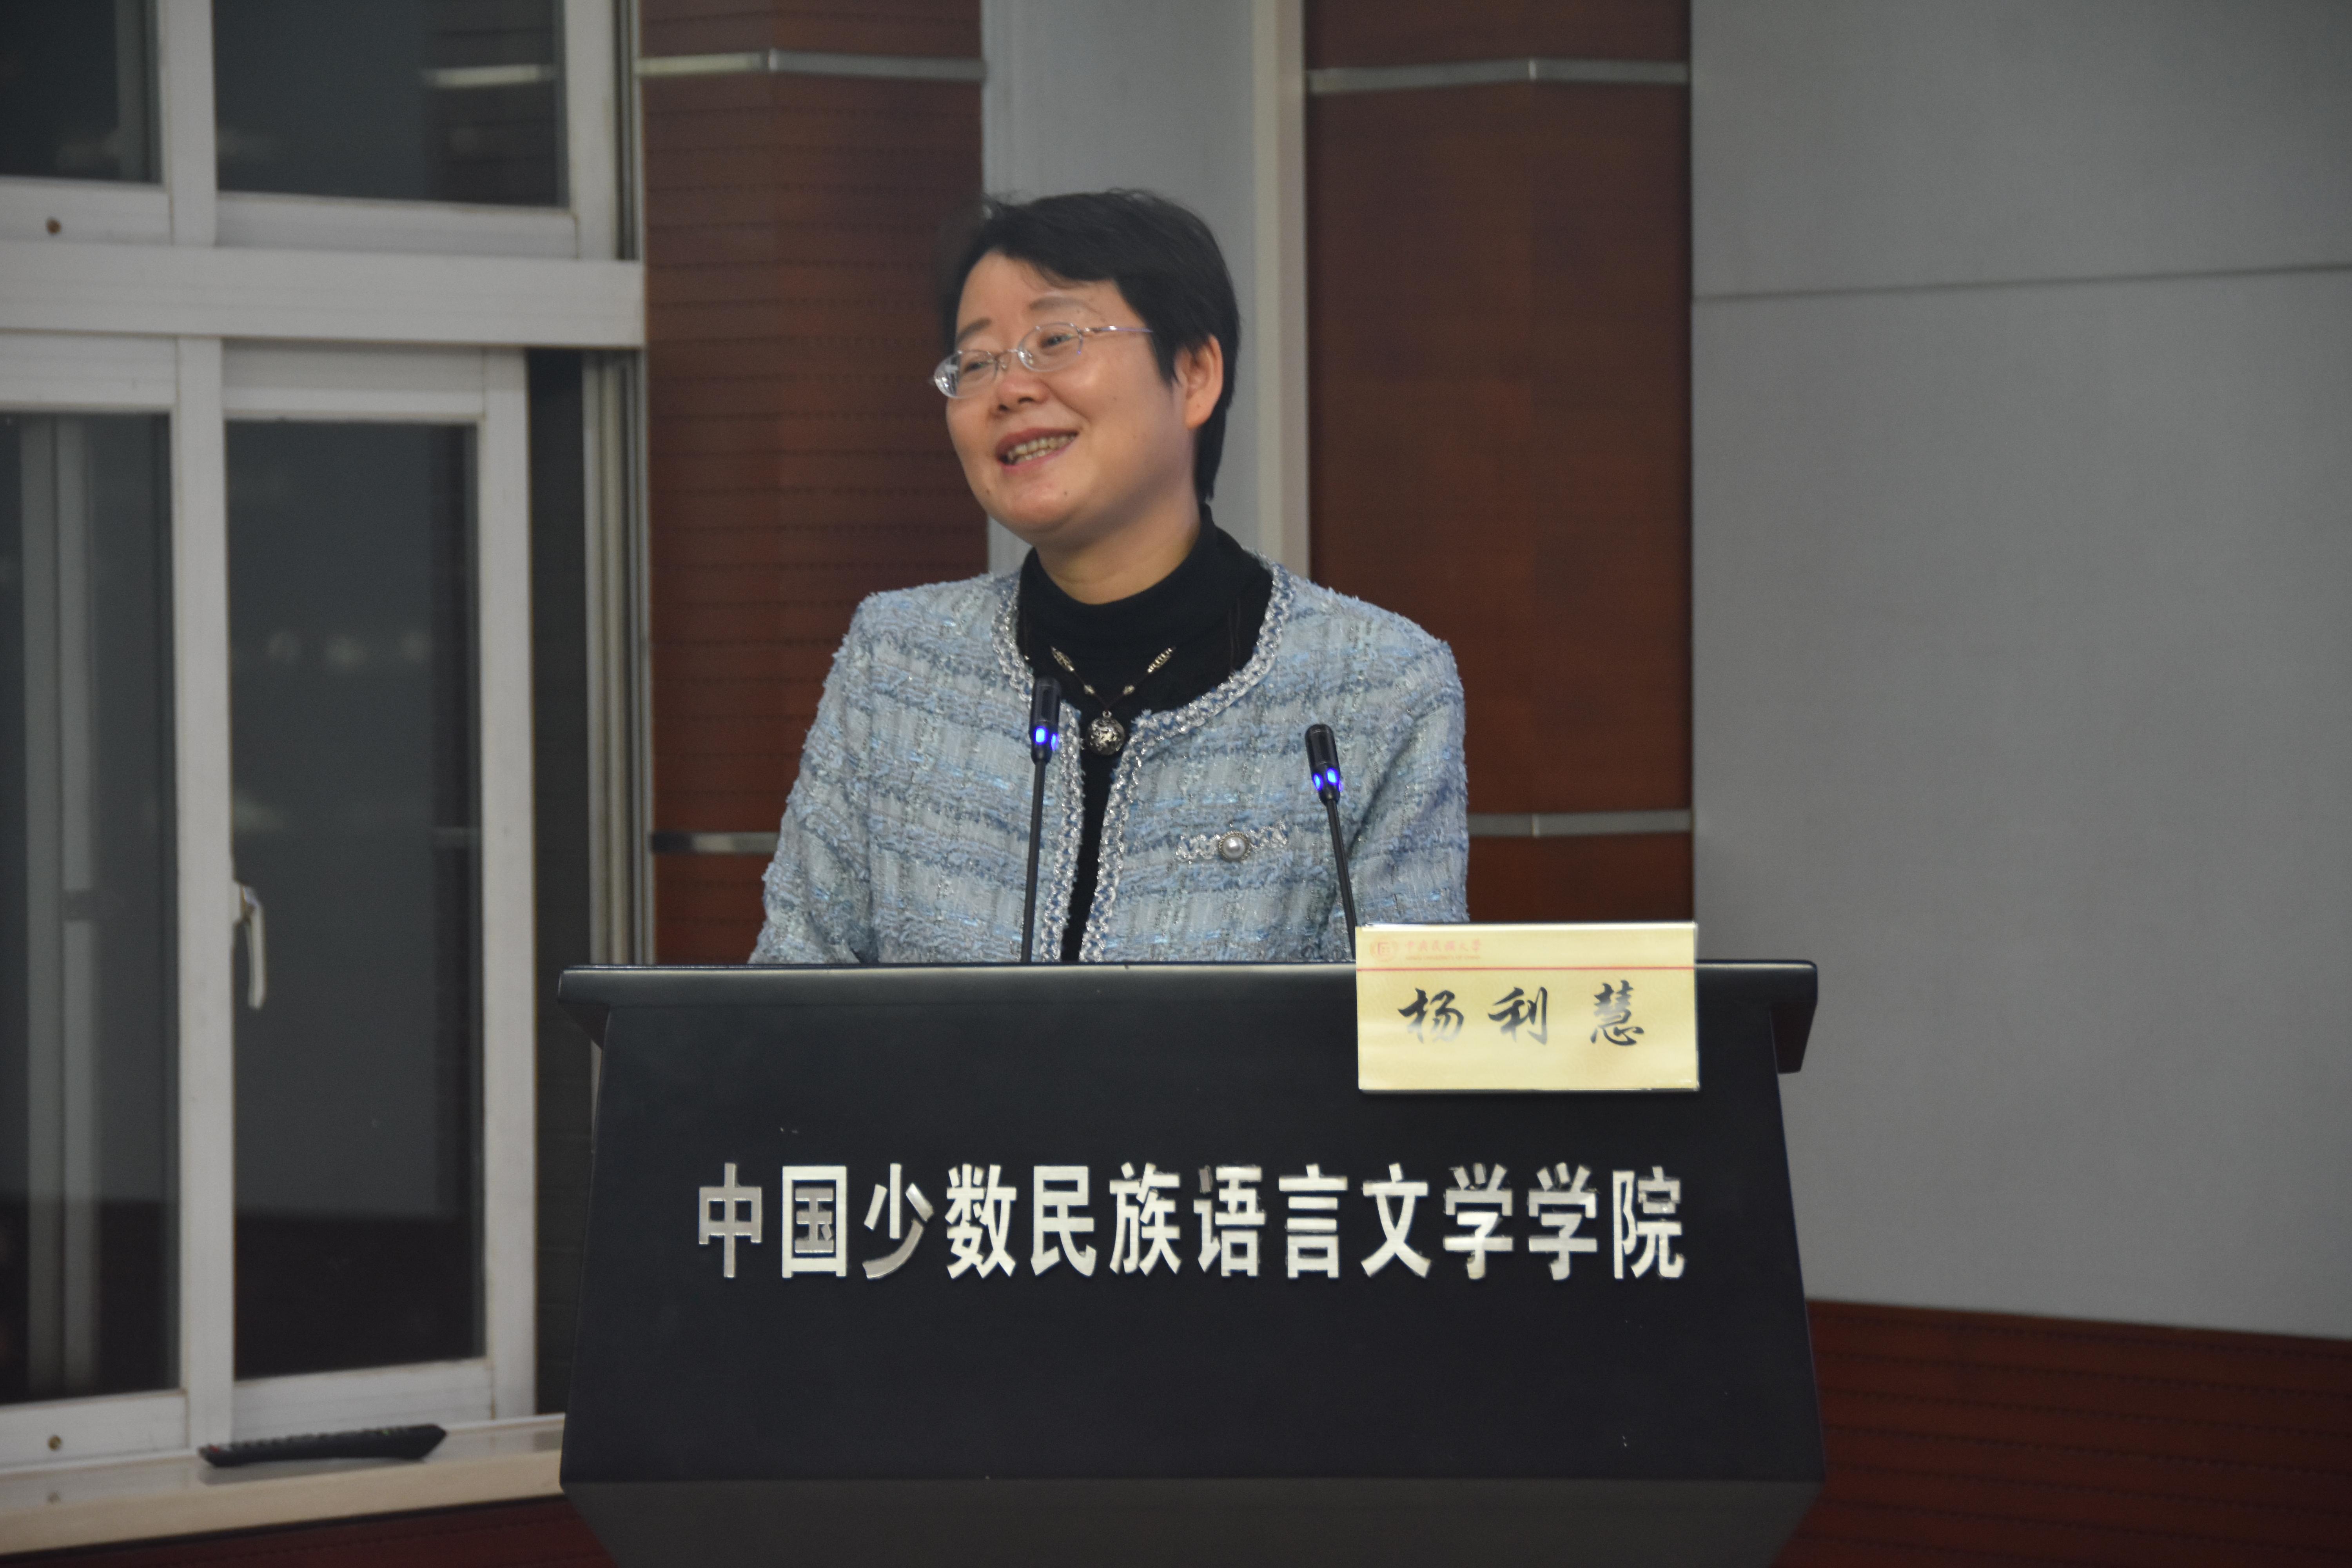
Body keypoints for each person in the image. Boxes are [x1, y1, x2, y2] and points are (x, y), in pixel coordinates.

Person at [751, 190, 1465, 964]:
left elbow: (1404, 1022)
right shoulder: (894, 664)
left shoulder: (1378, 686)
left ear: (1195, 374)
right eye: (978, 362)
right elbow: (787, 999)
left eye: (1056, 340)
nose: (1010, 389)